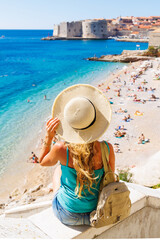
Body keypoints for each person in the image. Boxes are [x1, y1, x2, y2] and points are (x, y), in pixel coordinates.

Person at [38, 84, 115, 226]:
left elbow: (42, 162)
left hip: (68, 214)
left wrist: (48, 138)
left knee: (59, 169)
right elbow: (109, 178)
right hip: (97, 211)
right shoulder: (107, 149)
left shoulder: (61, 148)